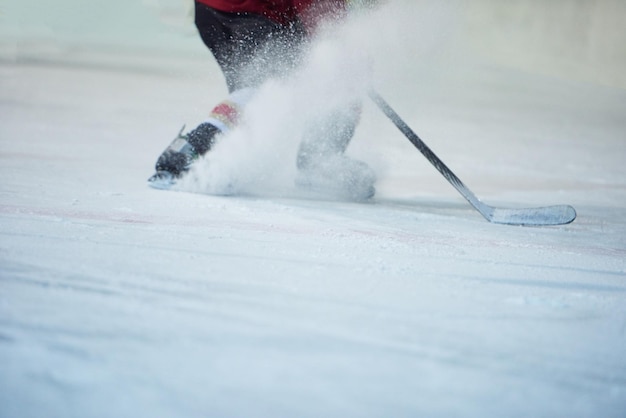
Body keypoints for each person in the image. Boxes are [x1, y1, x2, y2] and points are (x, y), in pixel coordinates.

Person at [149, 0, 376, 200]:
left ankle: (218, 157)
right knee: (270, 87)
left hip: (210, 10)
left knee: (256, 92)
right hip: (253, 11)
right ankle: (190, 149)